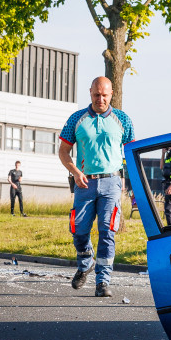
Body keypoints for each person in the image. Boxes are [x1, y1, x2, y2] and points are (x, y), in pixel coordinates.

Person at [59, 76, 135, 297]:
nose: (100, 99)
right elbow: (63, 151)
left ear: (111, 94)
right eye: (96, 95)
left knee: (107, 231)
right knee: (78, 229)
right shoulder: (77, 119)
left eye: (104, 95)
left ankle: (103, 281)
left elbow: (130, 154)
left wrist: (129, 184)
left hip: (112, 182)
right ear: (90, 92)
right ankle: (85, 263)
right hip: (85, 182)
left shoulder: (123, 119)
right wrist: (75, 172)